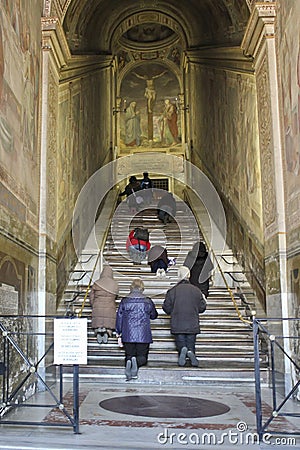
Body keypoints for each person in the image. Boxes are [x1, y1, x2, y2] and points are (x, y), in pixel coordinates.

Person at [162, 266, 207, 367]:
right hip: (192, 323)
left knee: (180, 342)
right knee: (191, 343)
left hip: (178, 323)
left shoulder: (172, 291)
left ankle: (183, 350)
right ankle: (191, 352)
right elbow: (202, 308)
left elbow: (166, 308)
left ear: (178, 276)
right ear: (189, 275)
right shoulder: (196, 290)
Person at [115, 278, 158, 381]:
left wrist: (118, 332)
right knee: (143, 356)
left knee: (129, 354)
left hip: (128, 335)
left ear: (131, 287)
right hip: (143, 335)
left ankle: (130, 363)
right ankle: (137, 363)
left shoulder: (125, 301)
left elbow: (119, 317)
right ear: (142, 288)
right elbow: (154, 315)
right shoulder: (147, 301)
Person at [89, 265, 119, 344]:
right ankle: (107, 331)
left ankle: (98, 329)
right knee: (108, 319)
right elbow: (116, 296)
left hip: (97, 306)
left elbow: (91, 296)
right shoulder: (114, 284)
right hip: (110, 306)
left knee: (99, 319)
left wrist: (94, 305)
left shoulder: (97, 283)